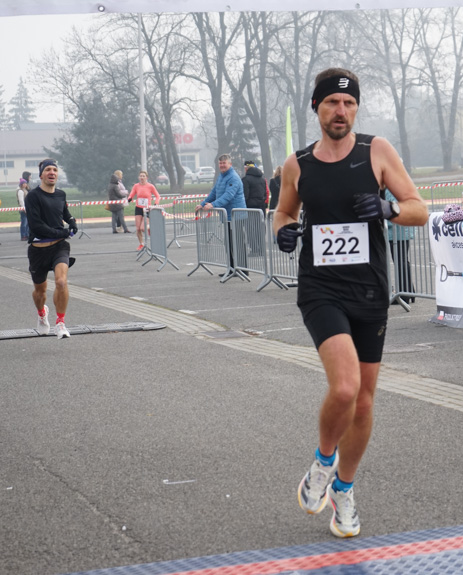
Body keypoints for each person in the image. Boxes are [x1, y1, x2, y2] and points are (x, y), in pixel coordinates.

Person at [273, 68, 428, 538]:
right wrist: (282, 231)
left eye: (349, 104)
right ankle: (322, 464)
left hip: (369, 291)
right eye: (332, 104)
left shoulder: (376, 151)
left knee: (362, 403)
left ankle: (343, 488)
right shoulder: (297, 164)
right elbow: (283, 211)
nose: (341, 112)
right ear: (317, 108)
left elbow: (419, 208)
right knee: (344, 388)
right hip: (321, 289)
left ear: (356, 109)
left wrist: (389, 208)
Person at [24, 159, 78, 339]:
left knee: (61, 282)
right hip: (38, 249)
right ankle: (41, 313)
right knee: (40, 292)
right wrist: (60, 232)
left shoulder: (61, 194)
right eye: (48, 169)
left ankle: (60, 323)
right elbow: (36, 225)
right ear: (41, 174)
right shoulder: (32, 196)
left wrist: (71, 222)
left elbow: (64, 212)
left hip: (59, 247)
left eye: (55, 169)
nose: (52, 172)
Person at [194, 154, 246, 269]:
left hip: (236, 216)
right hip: (226, 216)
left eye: (224, 163)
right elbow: (214, 193)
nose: (222, 165)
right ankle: (232, 268)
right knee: (228, 243)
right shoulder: (221, 176)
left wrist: (213, 205)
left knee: (238, 244)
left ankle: (243, 270)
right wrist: (202, 204)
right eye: (220, 163)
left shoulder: (233, 177)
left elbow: (229, 195)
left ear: (230, 164)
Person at [385, 189, 415, 304]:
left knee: (400, 261)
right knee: (401, 261)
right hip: (401, 231)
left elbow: (393, 211)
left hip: (399, 232)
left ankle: (404, 295)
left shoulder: (390, 190)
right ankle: (409, 292)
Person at [126, 170, 161, 250]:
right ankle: (141, 244)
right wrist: (129, 198)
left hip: (147, 209)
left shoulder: (150, 186)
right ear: (139, 177)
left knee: (143, 228)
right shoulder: (136, 186)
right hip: (138, 208)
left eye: (143, 176)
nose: (141, 177)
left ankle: (150, 230)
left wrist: (156, 203)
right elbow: (132, 193)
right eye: (140, 176)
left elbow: (158, 196)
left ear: (146, 177)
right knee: (138, 229)